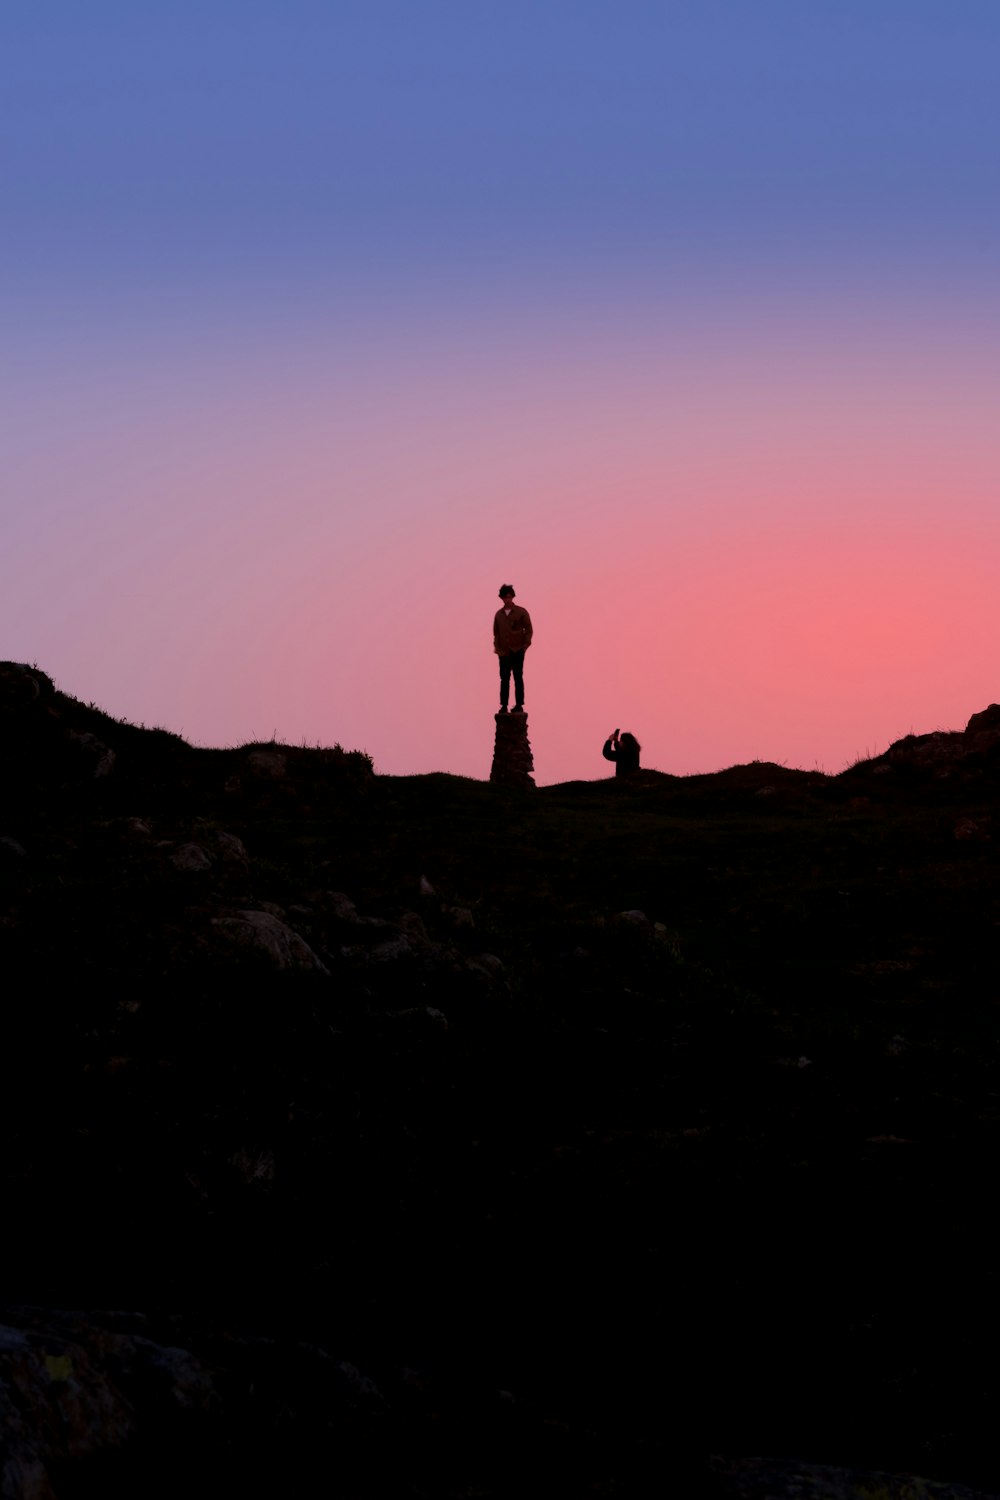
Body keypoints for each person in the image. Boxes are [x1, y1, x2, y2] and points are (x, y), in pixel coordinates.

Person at [493, 584, 533, 714]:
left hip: (517, 650)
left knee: (518, 677)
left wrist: (525, 645)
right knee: (504, 679)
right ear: (502, 598)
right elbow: (496, 633)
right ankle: (504, 705)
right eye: (505, 597)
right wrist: (497, 648)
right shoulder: (498, 615)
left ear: (513, 597)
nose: (508, 600)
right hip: (503, 652)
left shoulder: (521, 612)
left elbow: (529, 629)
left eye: (510, 597)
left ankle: (519, 705)